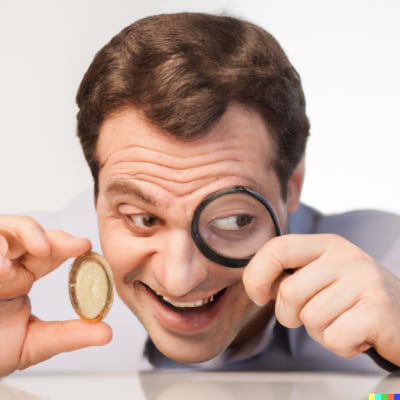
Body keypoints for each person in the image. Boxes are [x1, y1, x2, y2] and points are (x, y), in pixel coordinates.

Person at [1, 12, 400, 377]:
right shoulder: (19, 291)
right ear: (96, 195)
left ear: (290, 187)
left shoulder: (389, 272)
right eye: (143, 219)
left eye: (233, 220)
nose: (179, 280)